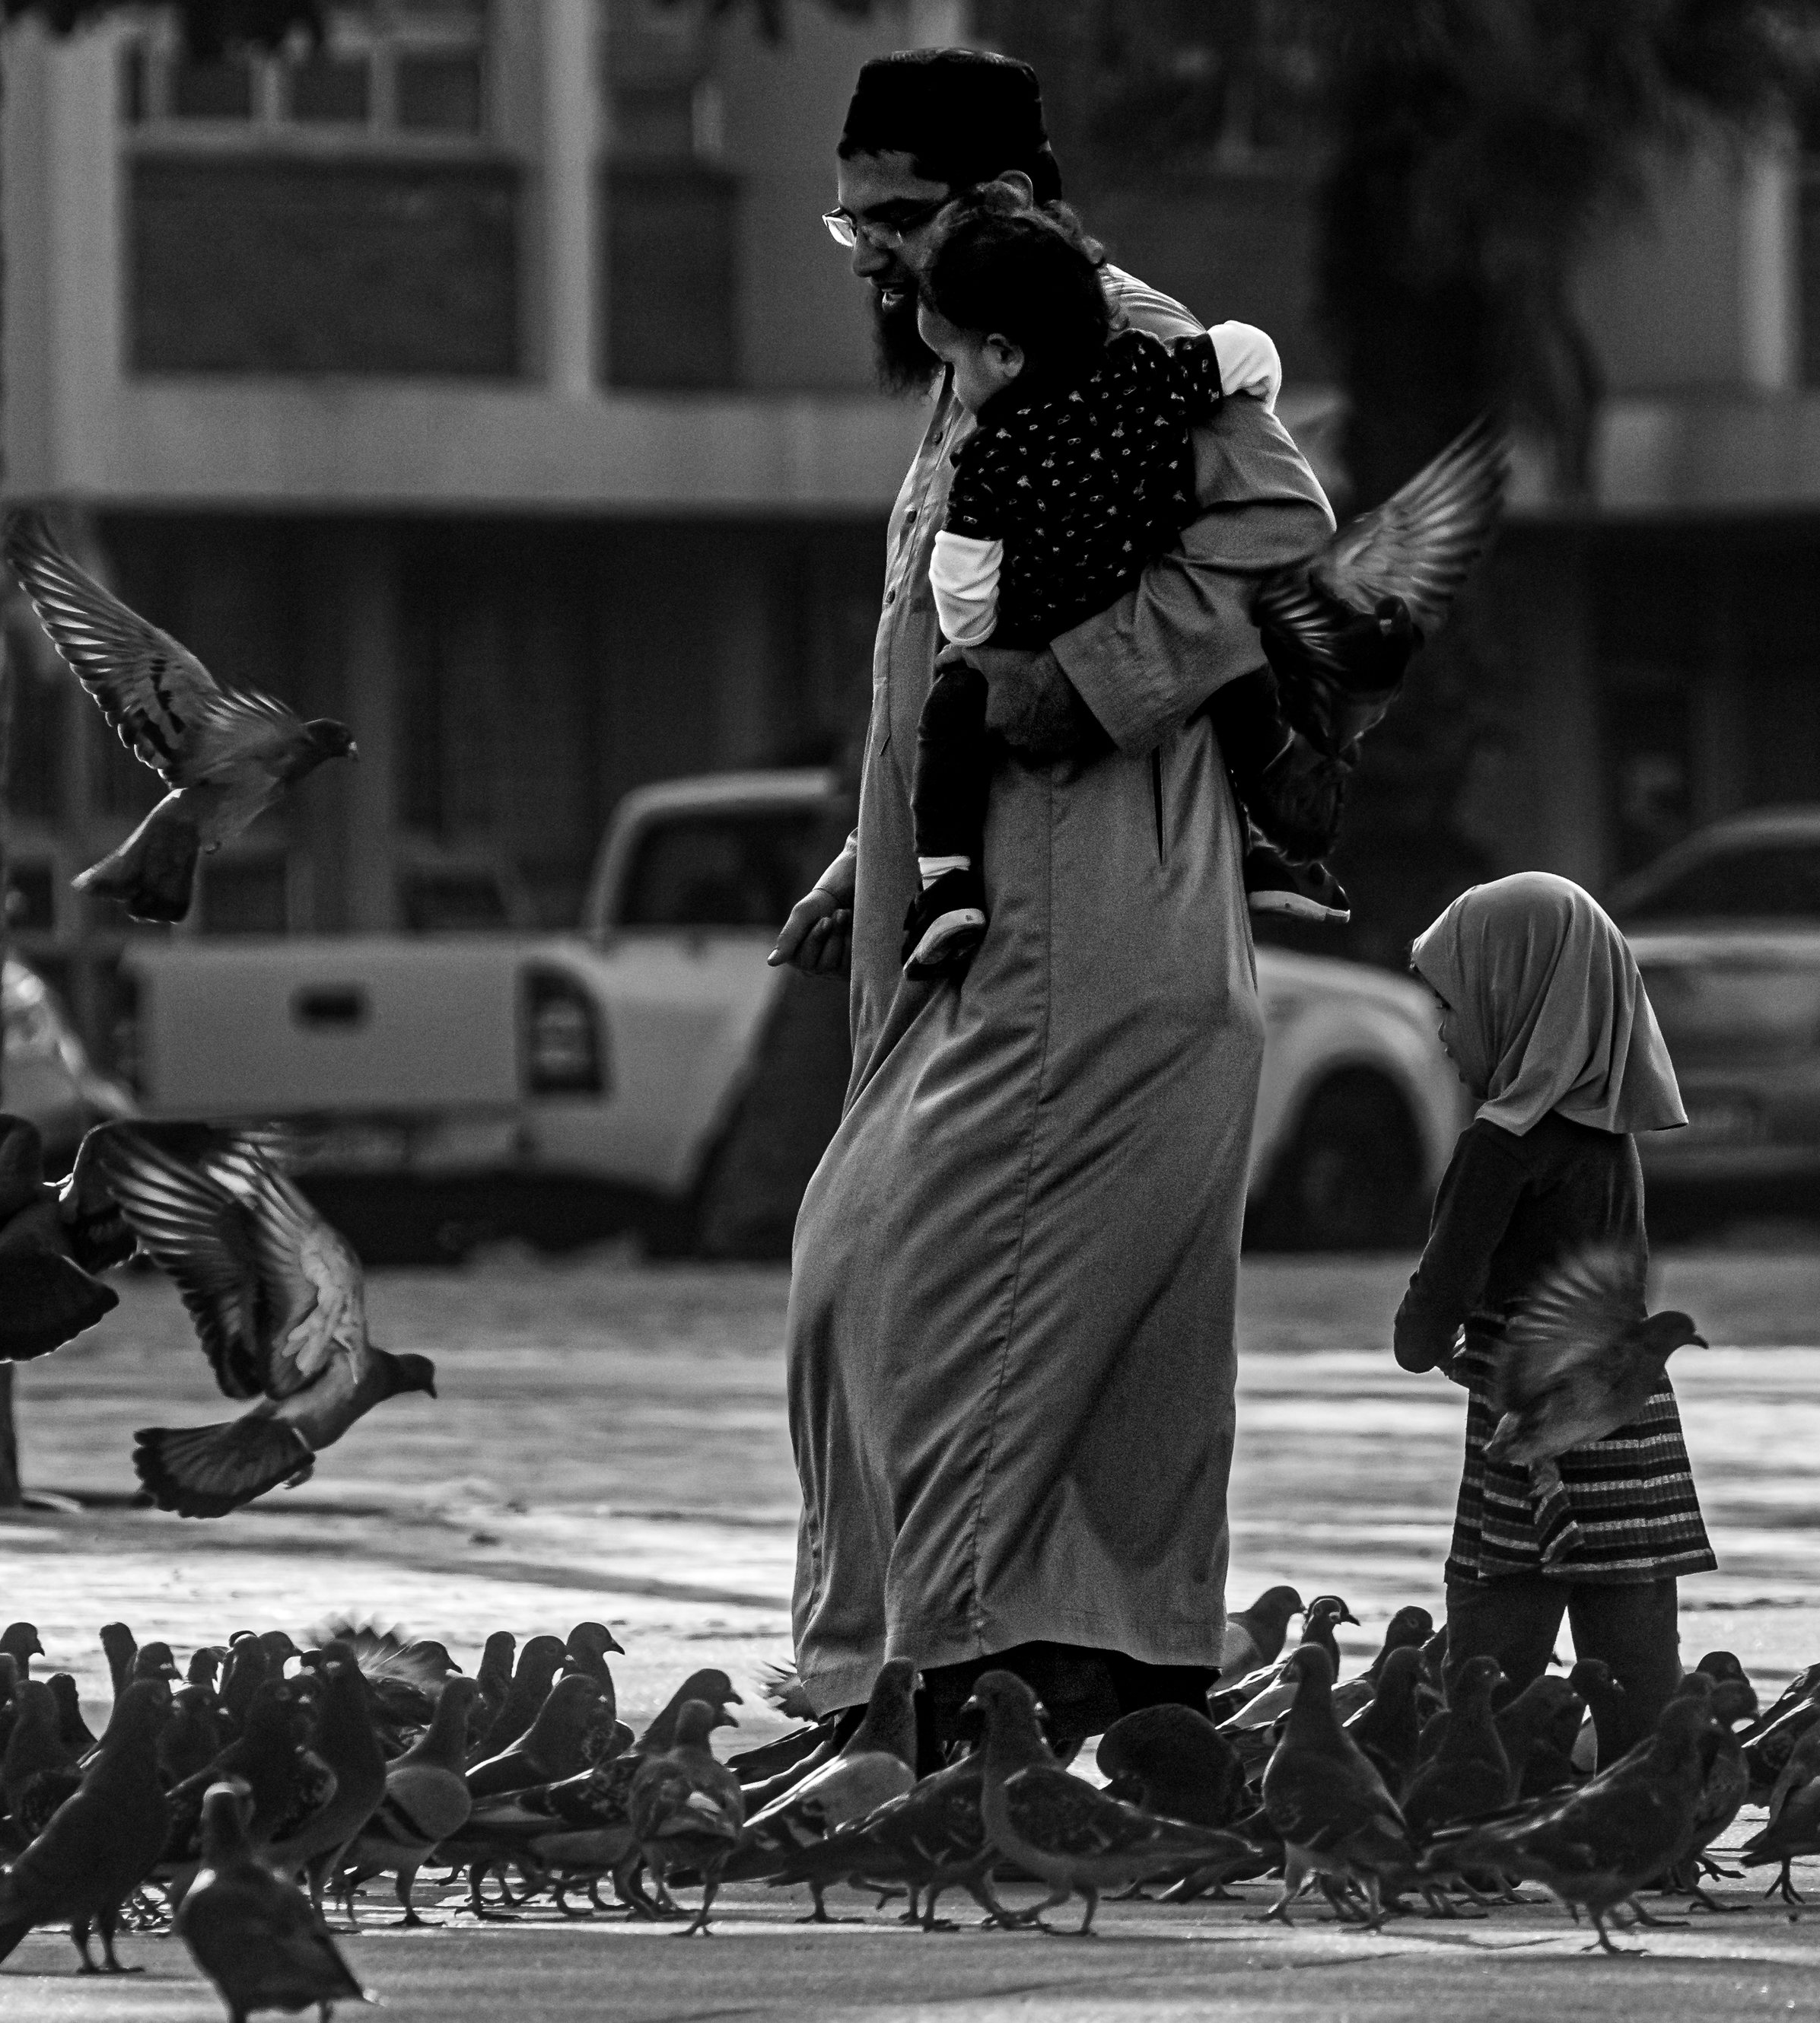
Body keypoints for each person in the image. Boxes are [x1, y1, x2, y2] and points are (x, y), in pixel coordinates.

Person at [770, 47, 1411, 1759]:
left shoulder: (1114, 333)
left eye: (895, 217)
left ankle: (927, 1702)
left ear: (1003, 203)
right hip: (995, 915)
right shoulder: (975, 360)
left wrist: (1104, 675)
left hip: (1093, 930)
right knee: (1006, 1314)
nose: (871, 256)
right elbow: (945, 653)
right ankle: (1078, 1690)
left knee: (911, 1287)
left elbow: (1286, 526)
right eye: (851, 220)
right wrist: (877, 840)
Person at [903, 184, 1342, 978]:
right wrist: (1255, 408)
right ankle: (1267, 830)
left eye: (953, 359)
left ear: (1003, 354)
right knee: (1227, 674)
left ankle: (945, 886)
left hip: (1048, 631)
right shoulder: (1146, 374)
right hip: (1136, 590)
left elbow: (964, 606)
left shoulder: (991, 458)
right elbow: (1248, 353)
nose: (953, 382)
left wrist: (970, 616)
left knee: (953, 706)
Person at [1395, 871, 1711, 1763]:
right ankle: (1654, 1814)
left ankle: (1479, 1808)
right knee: (1635, 1629)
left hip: (1530, 1418)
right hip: (1624, 1409)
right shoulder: (1609, 1141)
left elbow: (1436, 1298)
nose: (1442, 1032)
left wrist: (1419, 1344)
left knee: (1497, 1624)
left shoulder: (1497, 1145)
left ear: (1511, 996)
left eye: (1450, 1005)